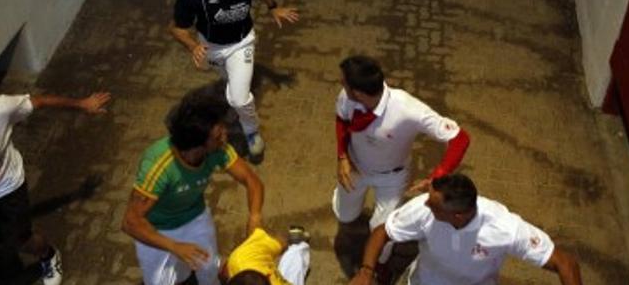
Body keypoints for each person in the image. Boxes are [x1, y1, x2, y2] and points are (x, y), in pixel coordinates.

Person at [0, 77, 111, 285]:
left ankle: (48, 255)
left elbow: (40, 102)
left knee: (22, 239)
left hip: (8, 187)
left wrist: (82, 104)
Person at [333, 55, 470, 271]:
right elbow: (341, 119)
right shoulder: (347, 97)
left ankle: (377, 268)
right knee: (345, 214)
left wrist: (439, 175)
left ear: (358, 92)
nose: (340, 85)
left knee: (382, 229)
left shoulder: (408, 109)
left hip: (391, 178)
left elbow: (460, 138)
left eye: (344, 82)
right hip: (355, 167)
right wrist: (342, 157)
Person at [170, 0, 299, 158]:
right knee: (231, 81)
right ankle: (235, 88)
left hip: (242, 44)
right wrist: (193, 46)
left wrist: (273, 6)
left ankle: (251, 132)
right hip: (212, 48)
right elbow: (175, 27)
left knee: (239, 99)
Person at [122, 93, 264, 285]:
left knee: (209, 271)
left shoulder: (218, 150)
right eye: (217, 136)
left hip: (195, 218)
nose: (225, 136)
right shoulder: (158, 165)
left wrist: (254, 216)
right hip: (156, 230)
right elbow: (130, 223)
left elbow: (251, 179)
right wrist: (174, 247)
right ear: (198, 144)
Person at [350, 174, 583, 285]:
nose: (425, 203)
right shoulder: (424, 208)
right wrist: (366, 272)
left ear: (458, 215)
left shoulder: (503, 227)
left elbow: (566, 263)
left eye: (433, 205)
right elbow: (383, 232)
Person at [219, 225, 311, 285]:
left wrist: (283, 244)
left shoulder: (245, 256)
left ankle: (296, 244)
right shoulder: (245, 257)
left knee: (296, 253)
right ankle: (297, 244)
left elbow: (278, 243)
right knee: (298, 252)